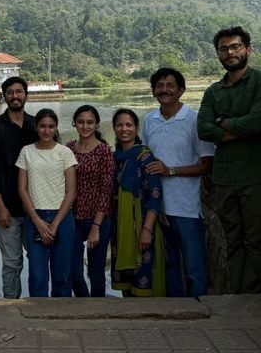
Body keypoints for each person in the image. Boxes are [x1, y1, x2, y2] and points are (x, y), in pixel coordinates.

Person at [197, 26, 261, 293]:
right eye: (224, 49)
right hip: (224, 179)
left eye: (235, 46)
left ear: (248, 49)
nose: (230, 52)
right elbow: (204, 128)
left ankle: (257, 299)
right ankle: (237, 296)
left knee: (257, 241)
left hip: (257, 176)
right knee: (231, 241)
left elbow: (259, 121)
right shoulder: (213, 92)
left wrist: (224, 124)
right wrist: (239, 128)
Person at [142, 68, 214, 297]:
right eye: (159, 86)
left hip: (186, 208)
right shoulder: (149, 120)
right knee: (168, 264)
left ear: (181, 90)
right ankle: (176, 312)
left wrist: (170, 170)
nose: (164, 90)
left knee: (194, 267)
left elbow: (206, 164)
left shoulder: (193, 120)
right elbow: (144, 158)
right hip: (156, 207)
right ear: (154, 91)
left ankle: (200, 311)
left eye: (170, 85)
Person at [0, 76, 37, 299]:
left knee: (38, 259)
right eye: (10, 92)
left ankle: (38, 303)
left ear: (26, 94)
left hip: (36, 208)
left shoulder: (38, 125)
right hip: (8, 206)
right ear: (4, 96)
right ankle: (10, 307)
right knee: (12, 262)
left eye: (19, 91)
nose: (15, 96)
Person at [17, 108, 77, 297]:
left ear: (56, 128)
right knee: (38, 276)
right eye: (42, 126)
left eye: (51, 126)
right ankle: (38, 319)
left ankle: (60, 321)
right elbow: (22, 189)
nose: (46, 130)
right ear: (36, 127)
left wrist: (55, 224)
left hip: (63, 218)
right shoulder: (27, 151)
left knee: (62, 276)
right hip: (36, 218)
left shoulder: (65, 152)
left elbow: (72, 190)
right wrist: (37, 221)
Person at [110, 108, 165, 296]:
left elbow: (155, 194)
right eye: (119, 125)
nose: (124, 129)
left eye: (129, 125)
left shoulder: (144, 156)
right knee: (126, 282)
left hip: (141, 224)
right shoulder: (114, 158)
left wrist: (147, 230)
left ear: (136, 128)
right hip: (120, 227)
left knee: (143, 277)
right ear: (114, 128)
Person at [66, 105, 114, 297]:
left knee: (95, 271)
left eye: (90, 122)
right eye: (81, 122)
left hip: (99, 218)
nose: (85, 126)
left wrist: (96, 225)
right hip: (73, 218)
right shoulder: (68, 149)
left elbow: (106, 190)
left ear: (96, 125)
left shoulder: (104, 151)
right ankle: (85, 306)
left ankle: (98, 312)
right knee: (74, 272)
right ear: (75, 124)